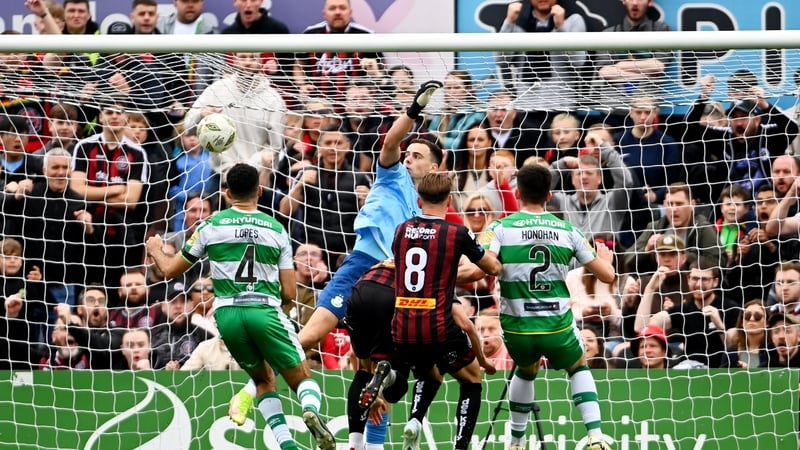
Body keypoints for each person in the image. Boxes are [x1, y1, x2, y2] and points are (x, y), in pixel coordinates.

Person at [146, 163, 335, 450]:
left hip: (227, 316)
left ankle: (288, 445)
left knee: (263, 380)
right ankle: (310, 409)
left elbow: (170, 270)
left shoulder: (210, 225)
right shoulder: (276, 228)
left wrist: (155, 249)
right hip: (264, 310)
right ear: (259, 191)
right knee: (301, 378)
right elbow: (289, 291)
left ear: (227, 194)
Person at [296, 81, 445, 352]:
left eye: (417, 156)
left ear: (434, 167)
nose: (408, 159)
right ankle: (266, 376)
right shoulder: (394, 175)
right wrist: (415, 109)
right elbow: (390, 142)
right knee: (311, 334)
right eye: (407, 154)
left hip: (399, 276)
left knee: (388, 351)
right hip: (364, 262)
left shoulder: (430, 206)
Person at [485, 163, 615, 450]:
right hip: (556, 326)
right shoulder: (568, 230)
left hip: (518, 328)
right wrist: (606, 261)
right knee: (578, 367)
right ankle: (595, 435)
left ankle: (516, 442)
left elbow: (484, 263)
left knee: (525, 369)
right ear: (549, 196)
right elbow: (607, 276)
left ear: (517, 194)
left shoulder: (499, 228)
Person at [386, 172, 501, 450]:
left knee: (431, 373)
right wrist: (497, 253)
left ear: (418, 201)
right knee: (472, 380)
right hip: (437, 325)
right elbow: (491, 267)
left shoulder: (401, 230)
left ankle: (415, 419)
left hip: (402, 326)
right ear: (450, 201)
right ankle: (460, 446)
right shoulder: (456, 233)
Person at [184, 52, 286, 174]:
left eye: (253, 58)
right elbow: (187, 126)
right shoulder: (217, 89)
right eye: (243, 57)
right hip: (220, 174)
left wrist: (249, 165)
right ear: (235, 60)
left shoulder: (274, 100)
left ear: (260, 61)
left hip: (257, 176)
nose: (248, 62)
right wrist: (201, 115)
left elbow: (275, 146)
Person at [494, 0, 588, 112]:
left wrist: (561, 27)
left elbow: (578, 62)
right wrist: (509, 22)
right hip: (526, 107)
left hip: (561, 107)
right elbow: (500, 61)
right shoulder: (517, 22)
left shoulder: (572, 20)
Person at [295, 0, 384, 104]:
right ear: (324, 13)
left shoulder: (366, 35)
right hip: (317, 103)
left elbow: (381, 69)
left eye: (342, 8)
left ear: (350, 12)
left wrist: (373, 71)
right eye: (332, 8)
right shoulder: (311, 34)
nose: (337, 12)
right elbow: (298, 65)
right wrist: (302, 85)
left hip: (357, 104)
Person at [592, 0, 672, 110]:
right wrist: (646, 74)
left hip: (646, 112)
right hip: (613, 110)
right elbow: (604, 72)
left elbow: (659, 66)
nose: (635, 3)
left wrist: (620, 65)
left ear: (650, 2)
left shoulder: (661, 30)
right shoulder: (608, 34)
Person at [725, 300, 769, 369]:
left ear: (767, 323)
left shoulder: (774, 351)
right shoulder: (730, 352)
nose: (751, 319)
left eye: (757, 316)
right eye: (747, 316)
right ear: (741, 322)